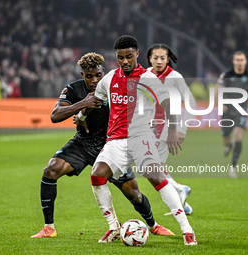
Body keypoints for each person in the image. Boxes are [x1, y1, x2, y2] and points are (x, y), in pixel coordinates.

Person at [31, 52, 175, 239]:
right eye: (89, 76)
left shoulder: (114, 87)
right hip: (83, 144)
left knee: (134, 195)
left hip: (111, 147)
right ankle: (49, 228)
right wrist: (84, 103)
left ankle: (153, 225)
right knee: (51, 170)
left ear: (103, 72)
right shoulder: (73, 89)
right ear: (82, 75)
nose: (94, 80)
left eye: (98, 75)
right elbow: (55, 115)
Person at [88, 36, 197, 245]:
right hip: (115, 142)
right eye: (121, 58)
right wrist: (82, 116)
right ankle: (113, 228)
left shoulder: (148, 78)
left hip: (141, 138)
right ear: (117, 57)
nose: (125, 61)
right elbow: (96, 99)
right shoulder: (109, 78)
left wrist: (173, 130)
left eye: (129, 56)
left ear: (137, 54)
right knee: (97, 176)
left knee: (155, 176)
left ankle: (186, 229)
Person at [146, 44, 196, 215]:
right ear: (150, 59)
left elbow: (191, 102)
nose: (159, 61)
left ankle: (180, 193)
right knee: (152, 170)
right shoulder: (145, 74)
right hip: (149, 128)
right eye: (155, 57)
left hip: (166, 129)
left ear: (168, 59)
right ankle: (181, 195)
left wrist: (182, 129)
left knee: (152, 170)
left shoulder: (175, 77)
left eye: (162, 58)